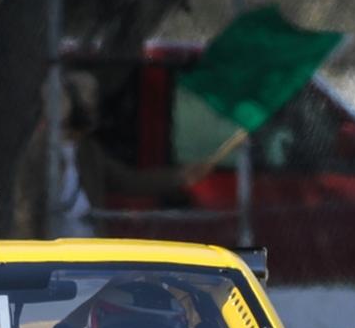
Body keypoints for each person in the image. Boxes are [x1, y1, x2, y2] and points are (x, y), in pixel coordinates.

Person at [13, 71, 210, 238]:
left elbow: (129, 181)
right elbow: (26, 212)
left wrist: (180, 176)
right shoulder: (36, 152)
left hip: (88, 253)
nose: (93, 116)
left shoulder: (88, 151)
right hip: (53, 258)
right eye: (86, 109)